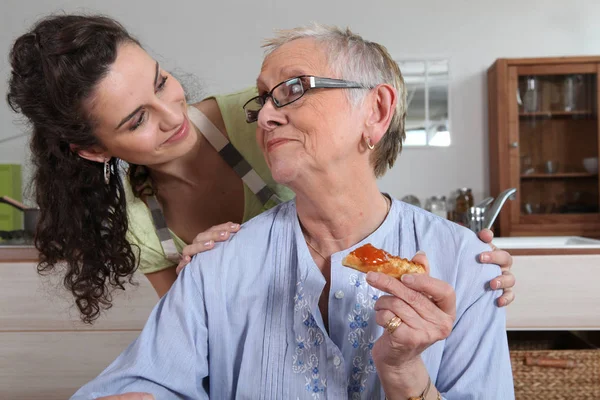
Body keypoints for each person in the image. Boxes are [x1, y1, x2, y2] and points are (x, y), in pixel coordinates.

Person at [71, 24, 514, 399]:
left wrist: (404, 375)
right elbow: (151, 379)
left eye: (293, 89)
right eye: (262, 100)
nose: (265, 116)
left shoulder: (467, 267)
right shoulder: (213, 265)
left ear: (376, 110)